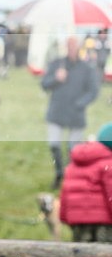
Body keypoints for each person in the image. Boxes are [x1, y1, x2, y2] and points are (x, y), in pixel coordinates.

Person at [59, 122, 112, 257]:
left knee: (88, 256)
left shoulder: (76, 161)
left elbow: (65, 191)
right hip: (104, 220)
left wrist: (64, 217)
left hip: (78, 220)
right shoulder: (109, 163)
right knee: (107, 255)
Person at [41, 36, 99, 189]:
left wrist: (80, 104)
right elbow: (44, 84)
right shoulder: (57, 64)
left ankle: (71, 176)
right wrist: (56, 78)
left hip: (76, 114)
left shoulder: (87, 68)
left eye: (74, 45)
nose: (71, 48)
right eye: (69, 45)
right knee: (54, 144)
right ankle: (59, 172)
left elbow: (93, 91)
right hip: (57, 112)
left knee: (74, 149)